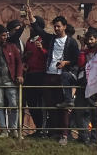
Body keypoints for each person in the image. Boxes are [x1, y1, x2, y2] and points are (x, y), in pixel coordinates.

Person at [28, 9, 79, 146]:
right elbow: (39, 31)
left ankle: (64, 134)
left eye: (59, 26)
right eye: (55, 26)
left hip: (63, 77)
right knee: (51, 105)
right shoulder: (52, 39)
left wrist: (65, 63)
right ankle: (54, 132)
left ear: (64, 27)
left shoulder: (71, 42)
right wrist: (31, 17)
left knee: (64, 106)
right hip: (49, 75)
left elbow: (77, 60)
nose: (56, 29)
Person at [0, 24, 23, 137]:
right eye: (2, 35)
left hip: (10, 80)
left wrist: (19, 75)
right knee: (0, 105)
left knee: (13, 104)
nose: (5, 37)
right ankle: (3, 130)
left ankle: (14, 130)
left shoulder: (11, 47)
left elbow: (19, 62)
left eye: (6, 35)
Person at [23, 18, 50, 138]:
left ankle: (45, 129)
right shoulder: (29, 40)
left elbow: (50, 56)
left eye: (33, 27)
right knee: (32, 103)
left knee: (42, 104)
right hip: (30, 74)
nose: (31, 29)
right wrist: (25, 56)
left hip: (42, 74)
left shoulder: (45, 40)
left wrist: (42, 49)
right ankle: (38, 128)